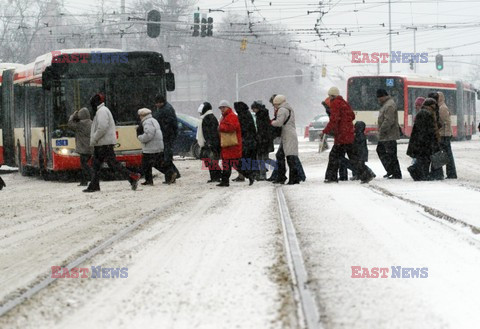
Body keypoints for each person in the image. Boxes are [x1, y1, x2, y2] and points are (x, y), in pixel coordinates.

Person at [83, 93, 140, 193]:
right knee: (98, 165)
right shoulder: (102, 111)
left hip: (103, 144)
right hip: (103, 143)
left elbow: (102, 128)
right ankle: (94, 185)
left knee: (109, 164)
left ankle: (133, 176)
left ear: (96, 103)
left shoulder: (102, 112)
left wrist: (94, 139)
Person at [322, 87, 374, 184]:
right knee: (353, 158)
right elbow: (352, 115)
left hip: (342, 136)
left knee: (334, 156)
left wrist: (326, 130)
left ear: (331, 96)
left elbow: (334, 119)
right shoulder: (343, 102)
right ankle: (366, 174)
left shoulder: (335, 103)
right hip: (349, 134)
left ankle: (331, 177)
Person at [217, 100, 254, 187]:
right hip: (228, 145)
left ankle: (249, 175)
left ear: (228, 108)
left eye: (223, 107)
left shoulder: (231, 116)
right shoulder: (226, 116)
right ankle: (225, 181)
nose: (222, 109)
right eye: (220, 108)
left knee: (235, 164)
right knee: (227, 164)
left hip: (232, 145)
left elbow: (232, 127)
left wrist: (220, 127)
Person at [136, 108, 175, 186]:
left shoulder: (147, 122)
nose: (139, 117)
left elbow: (149, 134)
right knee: (158, 163)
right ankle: (170, 173)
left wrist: (140, 137)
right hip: (157, 146)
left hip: (150, 147)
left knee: (146, 164)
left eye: (140, 115)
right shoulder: (153, 120)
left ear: (143, 115)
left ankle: (150, 180)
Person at [271, 95, 303, 185]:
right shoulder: (289, 109)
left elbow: (279, 123)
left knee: (289, 157)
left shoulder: (282, 110)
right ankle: (286, 177)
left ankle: (291, 178)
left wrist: (271, 122)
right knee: (284, 155)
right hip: (290, 134)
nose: (274, 107)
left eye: (275, 105)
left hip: (287, 135)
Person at [406, 98, 438, 181]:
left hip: (422, 142)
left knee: (424, 160)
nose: (434, 109)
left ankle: (422, 174)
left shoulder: (424, 113)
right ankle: (417, 172)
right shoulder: (425, 114)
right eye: (433, 107)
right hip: (423, 142)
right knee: (424, 160)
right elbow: (424, 130)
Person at [153, 94, 180, 182]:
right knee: (166, 156)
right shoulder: (166, 108)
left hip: (167, 136)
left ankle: (171, 175)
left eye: (157, 103)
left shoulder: (165, 110)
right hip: (168, 136)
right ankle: (172, 174)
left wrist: (163, 131)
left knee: (166, 157)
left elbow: (168, 123)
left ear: (160, 102)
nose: (156, 105)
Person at [376, 89, 402, 179]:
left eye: (379, 98)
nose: (378, 100)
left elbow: (389, 120)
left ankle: (396, 173)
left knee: (391, 154)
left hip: (389, 135)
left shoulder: (389, 105)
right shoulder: (386, 104)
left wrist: (381, 130)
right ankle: (391, 171)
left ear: (383, 96)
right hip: (386, 135)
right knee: (386, 152)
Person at [68, 107, 93, 186]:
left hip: (83, 148)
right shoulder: (92, 123)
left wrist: (73, 115)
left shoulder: (80, 124)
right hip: (91, 147)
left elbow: (70, 124)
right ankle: (85, 180)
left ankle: (90, 177)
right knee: (85, 164)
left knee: (84, 164)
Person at [197, 102, 221, 183]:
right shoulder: (210, 117)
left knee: (211, 161)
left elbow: (209, 132)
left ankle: (216, 177)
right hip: (212, 142)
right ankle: (215, 177)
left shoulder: (207, 118)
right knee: (211, 160)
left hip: (210, 143)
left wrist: (209, 142)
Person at [234, 101, 257, 181]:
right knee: (250, 158)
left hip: (246, 140)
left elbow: (242, 128)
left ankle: (246, 175)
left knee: (243, 158)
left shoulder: (242, 116)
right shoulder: (247, 114)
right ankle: (250, 174)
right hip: (250, 139)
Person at [251, 101, 274, 181]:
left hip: (263, 140)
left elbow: (262, 128)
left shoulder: (261, 115)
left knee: (262, 158)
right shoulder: (263, 114)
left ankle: (275, 167)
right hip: (264, 139)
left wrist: (259, 137)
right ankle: (263, 174)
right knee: (262, 158)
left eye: (253, 109)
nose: (253, 111)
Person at [437, 91, 457, 179]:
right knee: (446, 154)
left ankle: (450, 173)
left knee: (446, 154)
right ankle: (449, 173)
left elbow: (445, 121)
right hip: (444, 133)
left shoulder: (442, 108)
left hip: (444, 134)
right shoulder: (441, 106)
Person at [427, 92, 444, 180]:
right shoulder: (437, 108)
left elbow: (437, 122)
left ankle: (437, 173)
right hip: (436, 134)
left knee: (434, 153)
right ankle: (438, 173)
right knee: (436, 153)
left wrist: (434, 129)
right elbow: (440, 123)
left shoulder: (433, 110)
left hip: (433, 135)